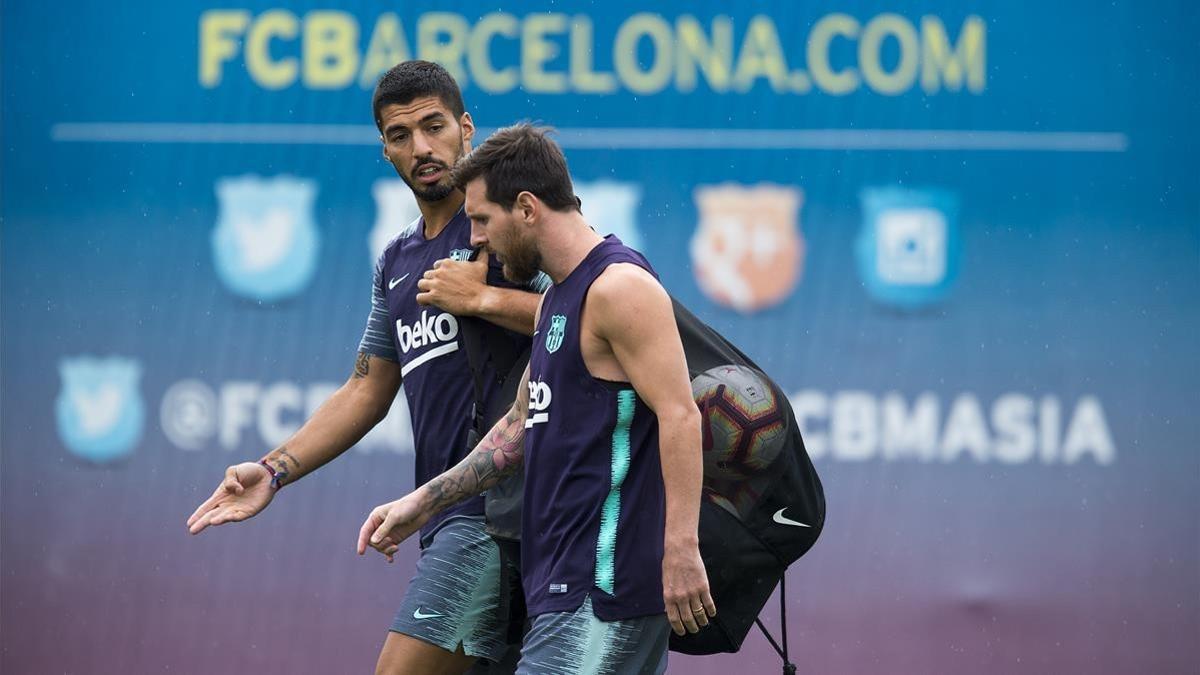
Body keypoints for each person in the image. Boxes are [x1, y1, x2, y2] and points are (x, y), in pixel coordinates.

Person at [186, 61, 541, 675]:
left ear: (466, 127)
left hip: (502, 514)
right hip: (448, 515)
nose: (421, 148)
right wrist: (272, 470)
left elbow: (596, 315)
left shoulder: (500, 224)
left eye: (434, 127)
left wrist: (484, 298)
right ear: (384, 149)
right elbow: (366, 388)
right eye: (400, 135)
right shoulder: (397, 259)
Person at [358, 124, 715, 674]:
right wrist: (421, 503)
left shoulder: (619, 287)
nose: (475, 238)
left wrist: (682, 550)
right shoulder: (555, 303)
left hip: (604, 590)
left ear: (526, 207)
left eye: (481, 219)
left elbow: (679, 415)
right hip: (558, 587)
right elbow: (518, 427)